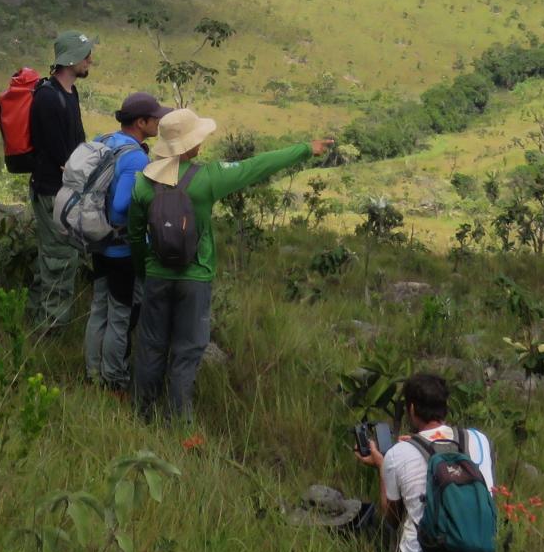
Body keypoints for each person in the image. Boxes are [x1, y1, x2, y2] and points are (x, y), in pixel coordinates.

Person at [127, 109, 333, 421]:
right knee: (187, 350)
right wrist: (305, 149)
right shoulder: (207, 179)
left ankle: (142, 415)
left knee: (151, 346)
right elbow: (257, 166)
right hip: (195, 276)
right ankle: (179, 421)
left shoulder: (143, 183)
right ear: (189, 145)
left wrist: (145, 272)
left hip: (156, 275)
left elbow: (134, 234)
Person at [355, 370, 496, 552]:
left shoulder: (398, 453)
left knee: (373, 519)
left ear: (411, 409)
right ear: (445, 406)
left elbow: (392, 518)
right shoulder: (478, 439)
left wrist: (383, 465)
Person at [84, 92, 167, 392]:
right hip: (121, 249)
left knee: (99, 308)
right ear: (141, 122)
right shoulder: (135, 157)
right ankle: (114, 379)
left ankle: (92, 373)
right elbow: (121, 207)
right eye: (155, 117)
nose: (159, 121)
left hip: (98, 240)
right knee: (120, 315)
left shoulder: (105, 141)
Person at [26, 31, 93, 335]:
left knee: (52, 258)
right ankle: (49, 334)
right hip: (54, 192)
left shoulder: (69, 94)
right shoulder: (48, 98)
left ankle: (34, 321)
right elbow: (62, 157)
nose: (90, 59)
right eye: (85, 54)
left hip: (63, 191)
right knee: (60, 260)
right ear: (71, 60)